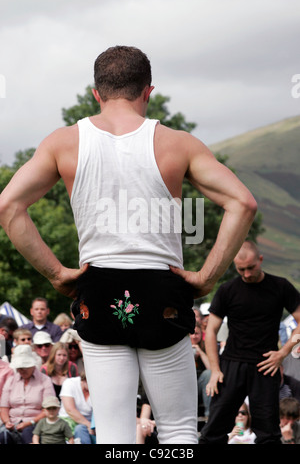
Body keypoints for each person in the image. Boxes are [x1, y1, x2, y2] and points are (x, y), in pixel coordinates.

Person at [0, 45, 257, 444]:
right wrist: (207, 277)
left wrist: (56, 273)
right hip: (163, 290)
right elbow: (242, 202)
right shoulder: (178, 144)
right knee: (178, 432)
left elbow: (9, 206)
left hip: (98, 287)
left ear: (96, 94)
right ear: (148, 92)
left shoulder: (63, 143)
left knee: (115, 434)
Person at [199, 240, 300, 444]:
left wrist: (283, 353)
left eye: (251, 268)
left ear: (260, 260)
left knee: (268, 433)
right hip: (231, 364)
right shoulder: (228, 290)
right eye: (241, 269)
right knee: (214, 430)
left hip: (266, 365)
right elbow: (211, 331)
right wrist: (215, 370)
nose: (246, 274)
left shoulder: (280, 287)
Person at [0, 344, 55, 444]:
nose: (21, 370)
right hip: (13, 422)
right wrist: (6, 422)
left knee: (28, 434)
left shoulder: (45, 380)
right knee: (3, 436)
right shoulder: (11, 380)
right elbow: (4, 407)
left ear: (32, 365)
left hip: (35, 423)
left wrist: (30, 422)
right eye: (19, 367)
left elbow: (49, 408)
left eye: (25, 367)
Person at [59, 371, 95, 444]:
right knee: (80, 429)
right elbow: (70, 410)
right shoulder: (70, 383)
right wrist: (88, 425)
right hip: (68, 421)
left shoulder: (98, 388)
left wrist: (92, 426)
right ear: (84, 379)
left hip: (90, 424)